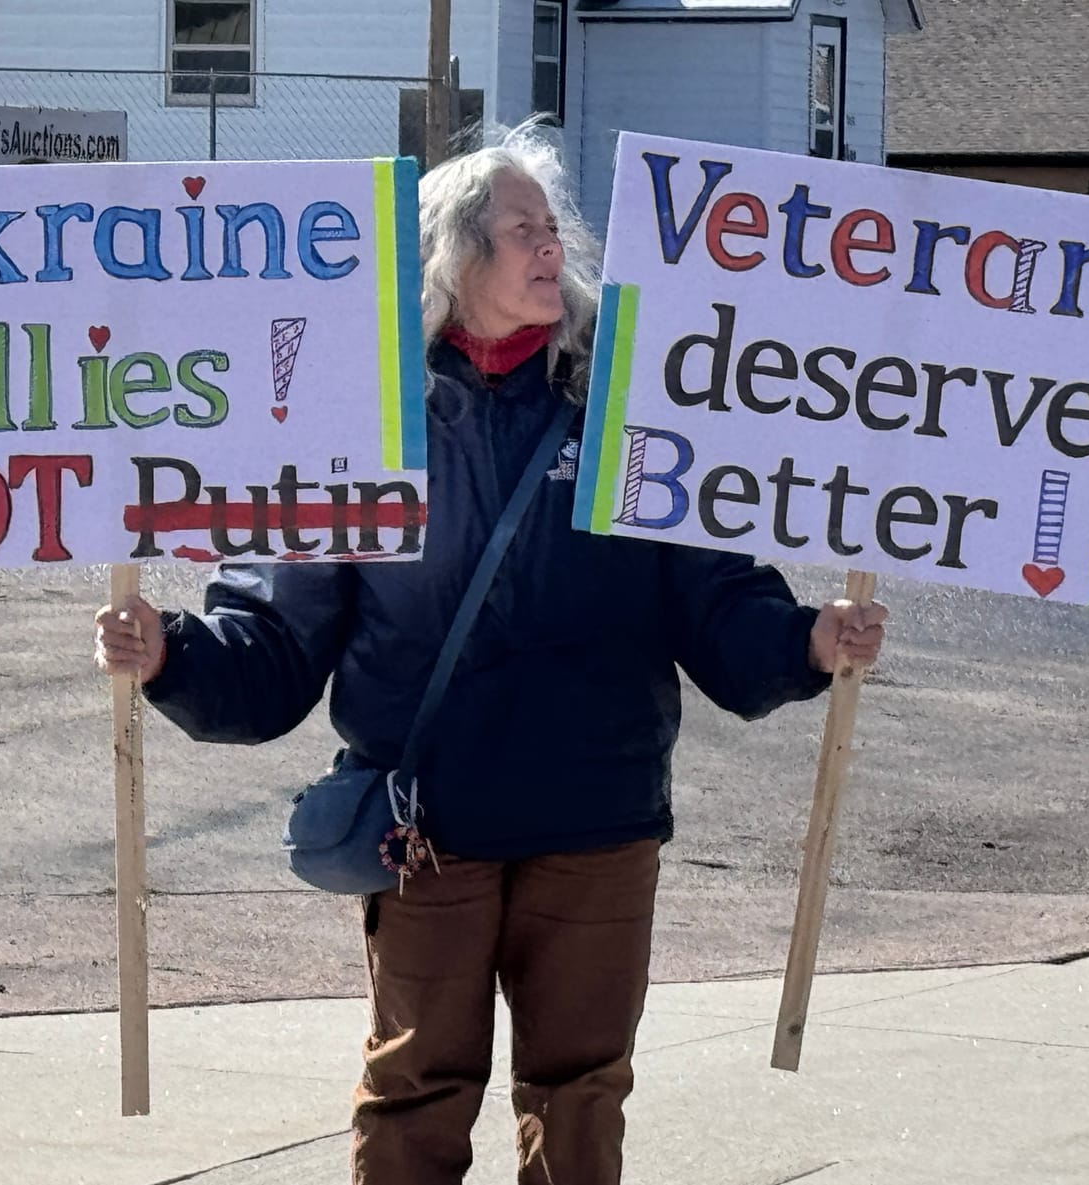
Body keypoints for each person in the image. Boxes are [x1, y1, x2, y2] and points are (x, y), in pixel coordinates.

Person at [94, 126, 888, 1185]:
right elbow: (279, 643)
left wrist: (804, 640)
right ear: (453, 260)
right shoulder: (357, 417)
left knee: (581, 1094)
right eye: (521, 230)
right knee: (415, 1093)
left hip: (597, 822)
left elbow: (713, 597)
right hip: (431, 831)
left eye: (551, 227)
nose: (549, 247)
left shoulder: (632, 412)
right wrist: (171, 654)